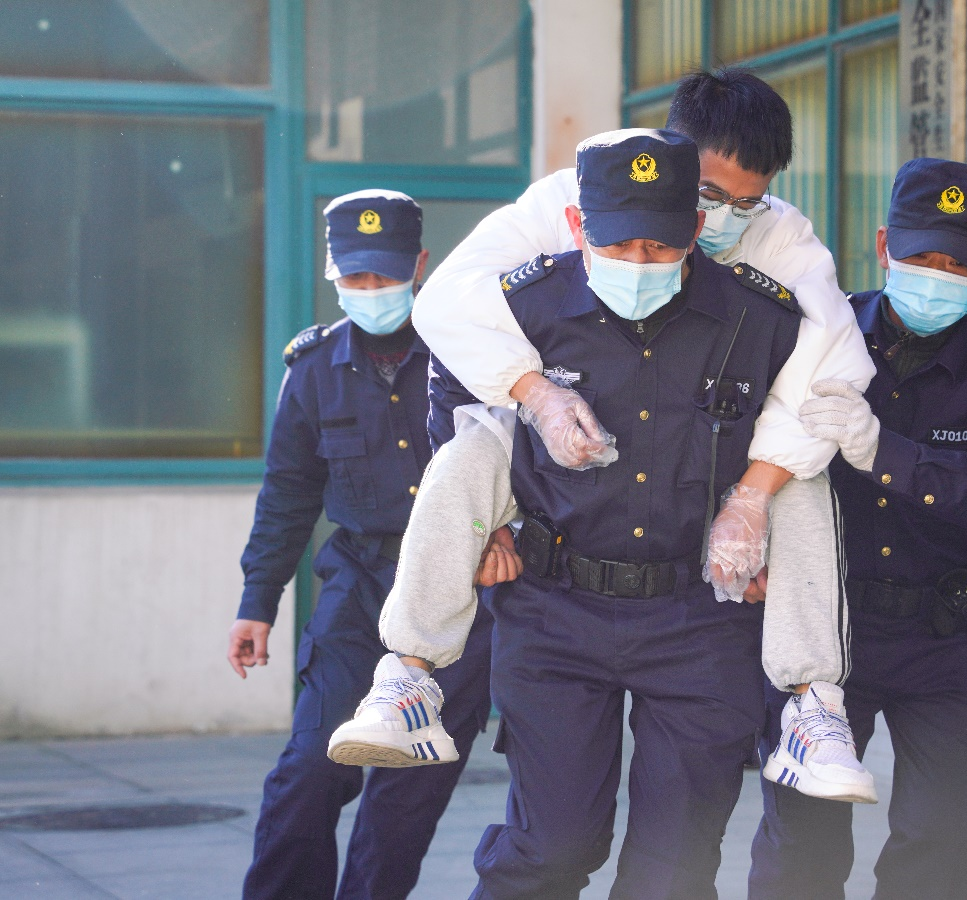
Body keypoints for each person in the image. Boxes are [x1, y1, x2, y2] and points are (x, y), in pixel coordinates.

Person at [330, 69, 879, 806]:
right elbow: (450, 313)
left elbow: (835, 367)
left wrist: (753, 497)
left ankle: (814, 708)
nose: (722, 219)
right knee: (470, 453)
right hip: (562, 490)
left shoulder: (780, 236)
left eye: (745, 202)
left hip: (697, 493)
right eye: (707, 194)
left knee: (801, 479)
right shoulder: (575, 196)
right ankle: (408, 676)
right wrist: (534, 397)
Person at [460, 126, 803, 898]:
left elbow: (811, 424)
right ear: (578, 224)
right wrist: (480, 528)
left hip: (698, 617)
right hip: (553, 609)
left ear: (696, 228)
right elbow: (452, 408)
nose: (640, 263)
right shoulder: (522, 305)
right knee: (552, 848)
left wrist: (762, 519)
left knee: (673, 870)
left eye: (660, 245)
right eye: (618, 244)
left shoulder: (760, 318)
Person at [748, 158, 967, 899]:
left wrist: (880, 451)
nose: (938, 275)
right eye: (923, 256)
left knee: (947, 843)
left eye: (960, 264)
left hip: (951, 633)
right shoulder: (818, 334)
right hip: (828, 629)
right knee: (801, 848)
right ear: (886, 244)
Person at [227, 190, 495, 900]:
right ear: (333, 273)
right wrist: (257, 602)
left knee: (403, 801)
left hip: (456, 598)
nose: (371, 289)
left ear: (420, 265)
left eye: (386, 273)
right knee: (309, 771)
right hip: (359, 590)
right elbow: (287, 494)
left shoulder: (471, 356)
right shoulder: (312, 369)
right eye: (356, 276)